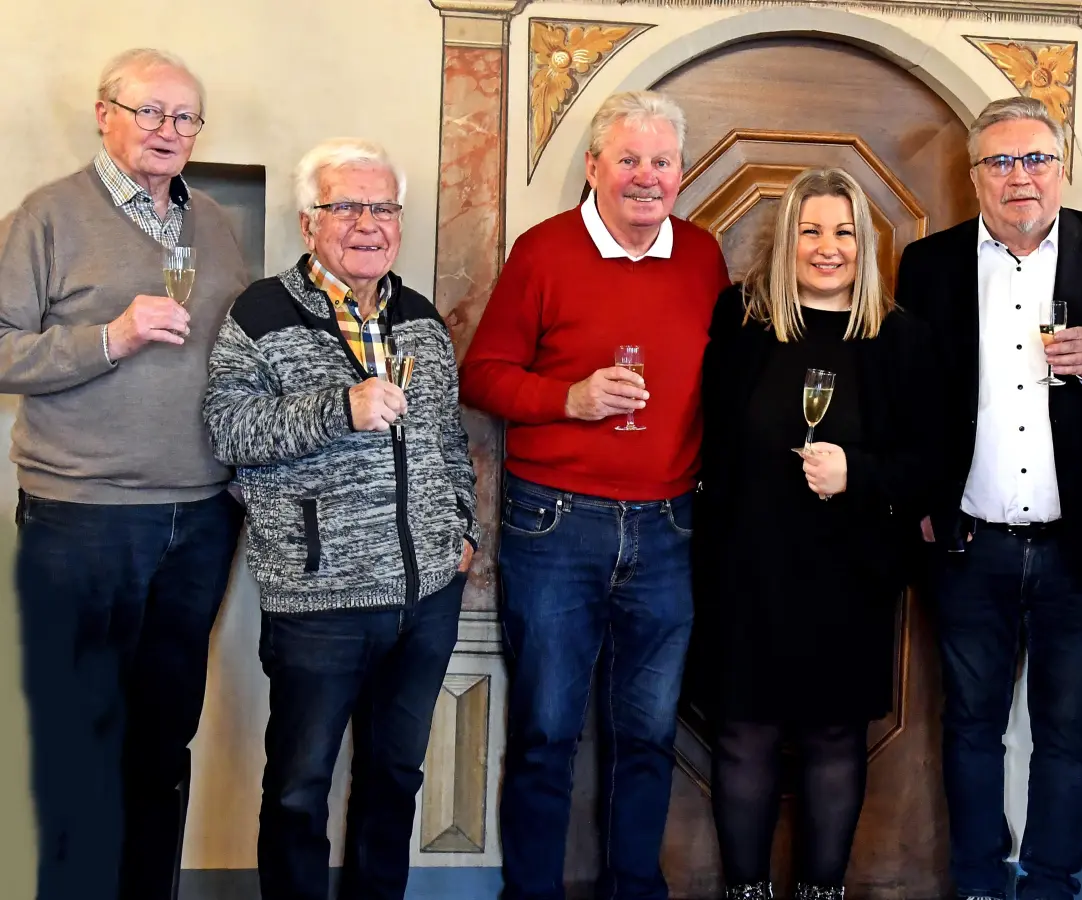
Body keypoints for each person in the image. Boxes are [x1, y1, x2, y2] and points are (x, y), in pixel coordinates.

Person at [459, 91, 730, 900]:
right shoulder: (543, 252)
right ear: (593, 166)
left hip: (670, 527)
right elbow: (481, 375)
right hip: (556, 525)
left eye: (661, 162)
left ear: (680, 172)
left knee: (646, 735)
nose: (646, 178)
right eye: (628, 159)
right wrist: (567, 399)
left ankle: (632, 888)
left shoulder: (704, 257)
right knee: (545, 733)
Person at [0, 47, 248, 900]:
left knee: (160, 741)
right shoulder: (46, 217)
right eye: (150, 112)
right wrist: (110, 337)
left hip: (201, 520)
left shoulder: (213, 223)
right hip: (81, 516)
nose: (168, 131)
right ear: (104, 114)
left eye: (185, 118)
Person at [203, 138, 478, 900]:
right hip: (320, 603)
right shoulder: (260, 312)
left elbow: (450, 441)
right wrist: (339, 409)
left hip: (424, 601)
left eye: (383, 206)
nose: (369, 222)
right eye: (346, 205)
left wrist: (461, 532)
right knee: (298, 790)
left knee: (394, 781)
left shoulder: (421, 318)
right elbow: (229, 430)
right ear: (307, 220)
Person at [894, 96, 1082, 900]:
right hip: (970, 545)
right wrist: (924, 505)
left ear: (1062, 167)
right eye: (1000, 162)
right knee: (970, 731)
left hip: (1081, 548)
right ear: (974, 176)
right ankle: (977, 882)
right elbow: (913, 400)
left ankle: (1050, 885)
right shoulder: (929, 264)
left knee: (1068, 736)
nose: (1019, 178)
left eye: (1035, 159)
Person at [694, 167, 936, 900]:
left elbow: (929, 463)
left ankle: (821, 892)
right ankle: (746, 891)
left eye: (842, 232)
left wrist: (857, 474)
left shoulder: (897, 337)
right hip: (747, 566)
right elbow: (708, 441)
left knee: (834, 736)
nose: (827, 248)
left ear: (863, 242)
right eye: (810, 231)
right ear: (786, 240)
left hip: (849, 574)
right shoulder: (742, 320)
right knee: (744, 733)